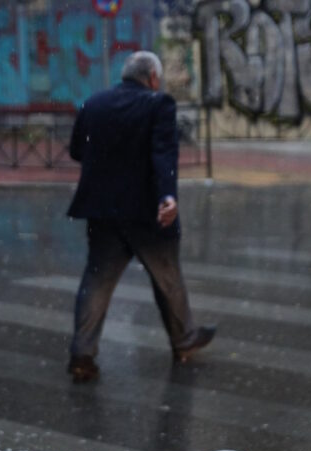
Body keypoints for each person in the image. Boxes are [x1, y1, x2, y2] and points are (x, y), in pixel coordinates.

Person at [66, 51, 215, 383]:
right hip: (148, 212)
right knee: (168, 277)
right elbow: (163, 152)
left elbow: (77, 150)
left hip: (103, 210)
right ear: (152, 77)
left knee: (96, 282)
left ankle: (82, 354)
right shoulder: (158, 104)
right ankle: (183, 338)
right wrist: (167, 196)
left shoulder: (95, 103)